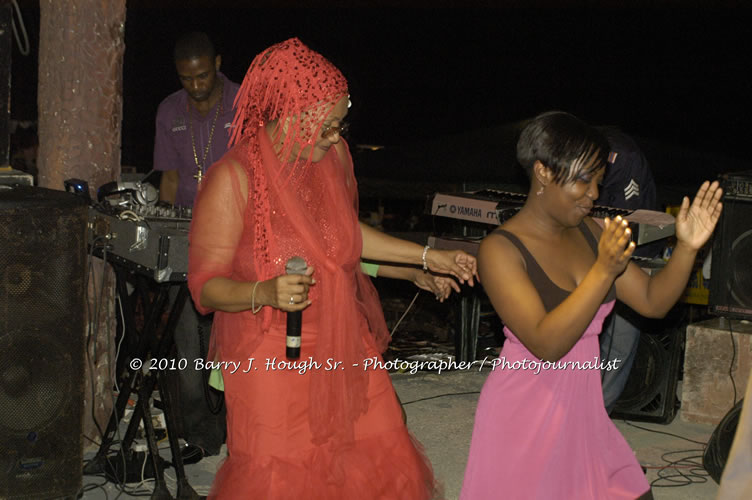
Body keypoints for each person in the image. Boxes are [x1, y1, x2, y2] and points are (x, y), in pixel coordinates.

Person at [187, 37, 477, 499]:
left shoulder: (333, 158)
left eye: (339, 124)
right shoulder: (234, 178)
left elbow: (346, 237)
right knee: (283, 474)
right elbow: (205, 288)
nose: (335, 136)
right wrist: (263, 292)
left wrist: (424, 256)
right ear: (289, 112)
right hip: (270, 350)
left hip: (341, 335)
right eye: (327, 125)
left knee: (380, 442)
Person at [460, 111, 722, 500]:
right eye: (584, 179)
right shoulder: (500, 249)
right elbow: (547, 345)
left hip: (584, 412)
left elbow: (653, 302)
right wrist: (603, 272)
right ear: (544, 172)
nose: (595, 194)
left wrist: (687, 248)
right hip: (525, 418)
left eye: (599, 181)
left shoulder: (592, 231)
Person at [152, 31, 240, 464]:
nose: (197, 85)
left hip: (235, 236)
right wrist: (161, 235)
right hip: (186, 235)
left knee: (236, 342)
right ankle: (200, 437)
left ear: (217, 63)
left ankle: (240, 433)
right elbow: (168, 178)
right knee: (186, 344)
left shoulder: (244, 103)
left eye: (203, 75)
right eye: (187, 79)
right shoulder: (169, 110)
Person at [594, 126, 661, 413]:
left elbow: (622, 225)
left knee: (619, 343)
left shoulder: (625, 158)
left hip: (633, 257)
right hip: (594, 251)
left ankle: (597, 414)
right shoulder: (578, 149)